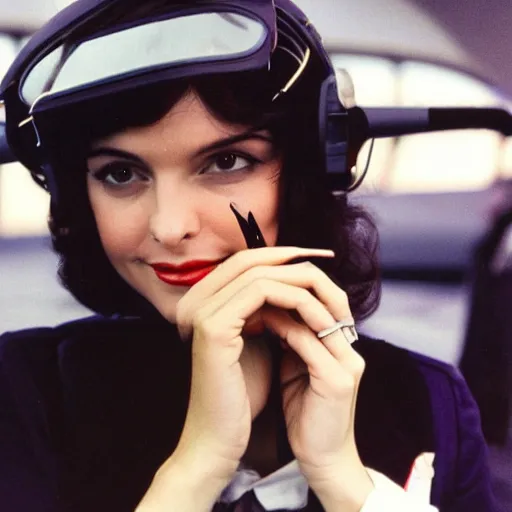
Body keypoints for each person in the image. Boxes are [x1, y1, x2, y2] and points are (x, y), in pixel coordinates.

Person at [0, 1, 496, 511]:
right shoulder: (21, 393)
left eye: (226, 162)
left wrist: (346, 482)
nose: (170, 227)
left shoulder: (429, 401)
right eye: (121, 174)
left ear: (306, 175)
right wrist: (197, 464)